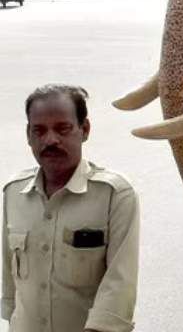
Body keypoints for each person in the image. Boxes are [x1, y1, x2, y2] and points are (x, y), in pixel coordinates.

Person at [3, 85, 140, 332]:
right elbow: (10, 288)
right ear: (28, 135)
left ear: (84, 130)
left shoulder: (115, 195)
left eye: (62, 128)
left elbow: (120, 286)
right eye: (39, 130)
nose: (50, 140)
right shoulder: (13, 193)